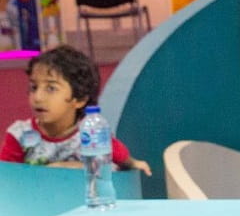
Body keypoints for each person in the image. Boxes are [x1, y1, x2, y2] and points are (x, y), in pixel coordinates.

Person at [2, 44, 150, 174]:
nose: (38, 97)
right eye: (34, 87)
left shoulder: (91, 132)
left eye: (51, 88)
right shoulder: (19, 135)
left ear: (79, 100)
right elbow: (7, 177)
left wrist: (134, 163)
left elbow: (120, 158)